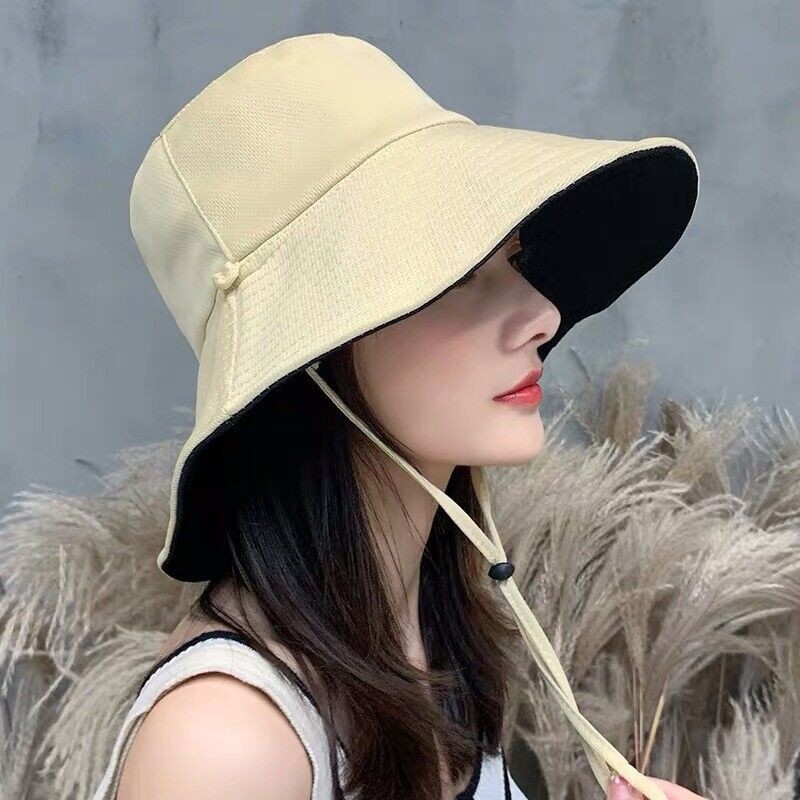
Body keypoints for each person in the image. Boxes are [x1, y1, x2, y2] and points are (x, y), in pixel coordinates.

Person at [90, 33, 705, 800]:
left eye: (514, 261)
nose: (543, 315)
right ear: (311, 352)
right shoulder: (228, 744)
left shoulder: (426, 642)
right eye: (459, 275)